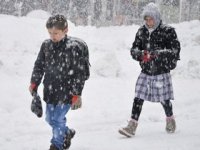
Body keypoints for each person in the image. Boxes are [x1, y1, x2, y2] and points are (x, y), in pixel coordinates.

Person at [119, 3, 180, 137]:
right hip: (146, 71)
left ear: (157, 18)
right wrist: (140, 55)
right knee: (138, 97)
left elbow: (174, 51)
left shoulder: (168, 31)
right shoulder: (141, 31)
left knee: (164, 99)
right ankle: (132, 126)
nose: (148, 22)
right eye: (146, 19)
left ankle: (170, 119)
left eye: (151, 19)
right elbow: (134, 49)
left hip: (161, 71)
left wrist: (156, 54)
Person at [29, 14, 90, 150]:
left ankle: (57, 145)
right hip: (50, 91)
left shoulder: (73, 48)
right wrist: (34, 83)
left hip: (66, 92)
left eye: (56, 33)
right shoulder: (46, 46)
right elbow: (39, 66)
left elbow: (79, 74)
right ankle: (66, 132)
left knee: (57, 119)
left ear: (65, 30)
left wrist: (76, 93)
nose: (53, 36)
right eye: (50, 33)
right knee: (50, 119)